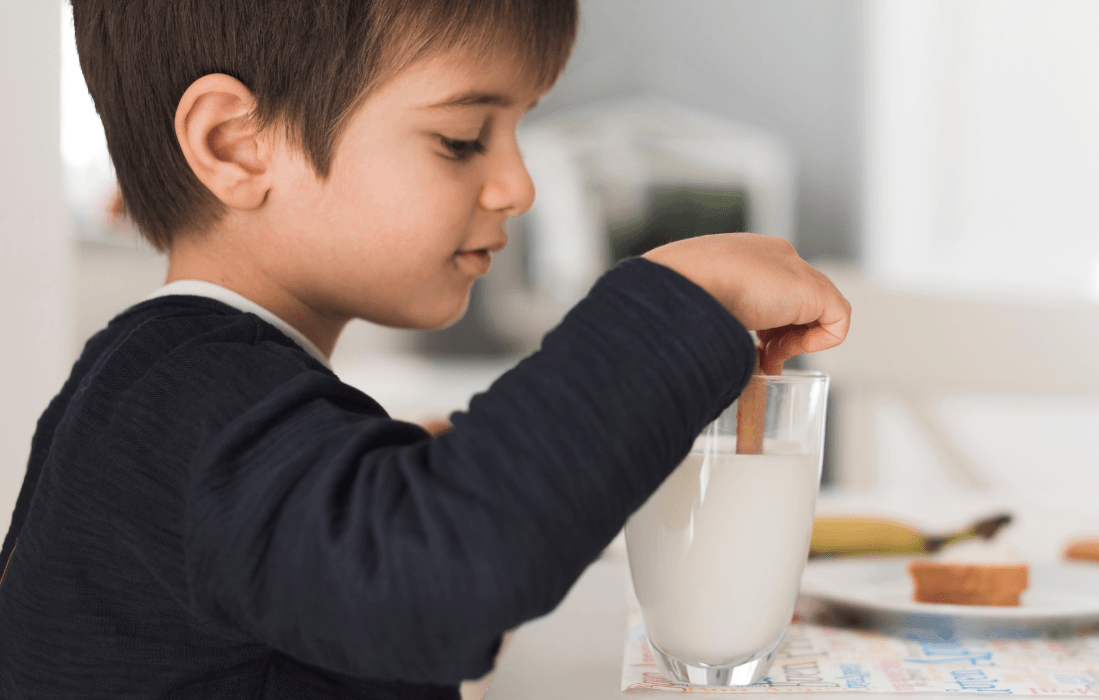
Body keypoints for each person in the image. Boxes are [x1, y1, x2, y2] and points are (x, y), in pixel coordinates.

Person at [0, 0, 850, 697]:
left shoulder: (175, 387)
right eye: (461, 139)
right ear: (235, 144)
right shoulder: (183, 403)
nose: (517, 186)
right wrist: (680, 304)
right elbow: (441, 581)